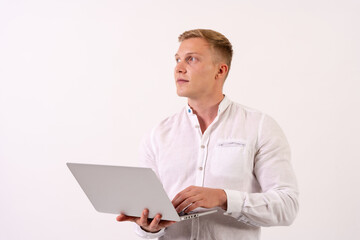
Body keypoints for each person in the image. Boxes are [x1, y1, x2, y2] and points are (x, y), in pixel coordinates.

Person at [116, 29, 299, 240]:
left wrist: (224, 198)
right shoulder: (158, 135)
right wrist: (148, 227)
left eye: (191, 59)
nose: (179, 68)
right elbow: (147, 221)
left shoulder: (259, 126)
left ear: (220, 71)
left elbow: (287, 206)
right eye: (177, 59)